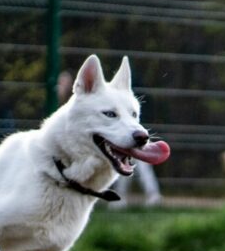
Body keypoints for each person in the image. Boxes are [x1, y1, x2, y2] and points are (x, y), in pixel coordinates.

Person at [57, 69, 162, 207]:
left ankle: (151, 194)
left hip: (129, 132)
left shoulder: (99, 95)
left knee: (137, 164)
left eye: (63, 82)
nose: (60, 85)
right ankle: (124, 198)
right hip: (120, 135)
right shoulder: (75, 102)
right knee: (127, 162)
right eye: (60, 82)